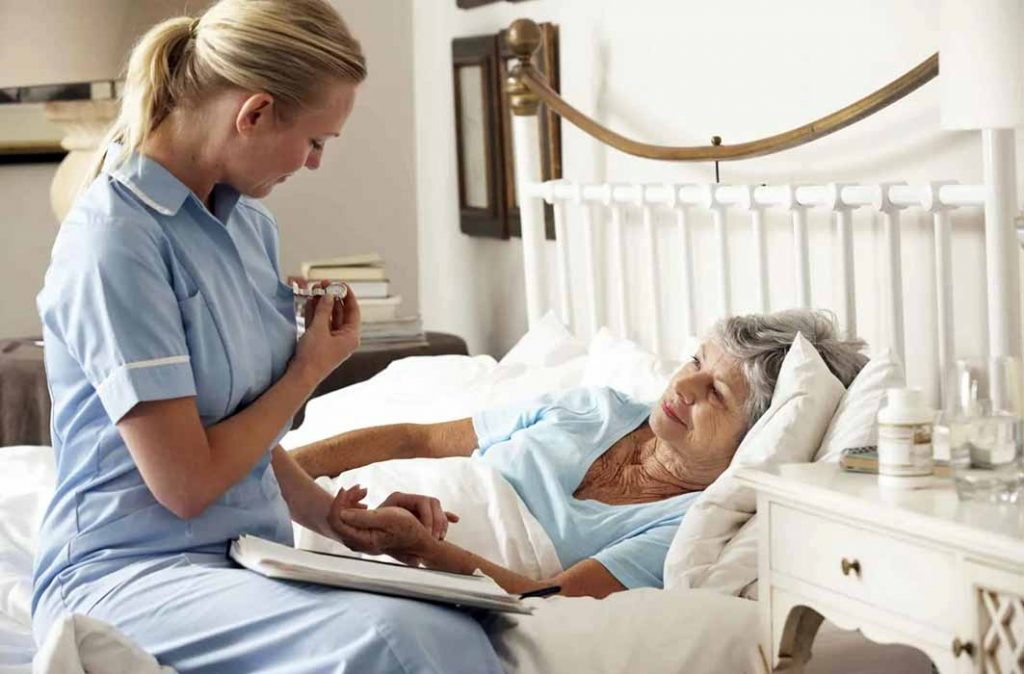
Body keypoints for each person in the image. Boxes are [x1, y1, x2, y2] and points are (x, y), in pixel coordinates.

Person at [31, 2, 501, 672]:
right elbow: (188, 483)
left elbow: (237, 428)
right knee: (397, 642)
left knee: (454, 623)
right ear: (252, 113)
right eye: (317, 141)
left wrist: (332, 516)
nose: (313, 163)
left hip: (246, 556)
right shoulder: (114, 241)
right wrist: (307, 371)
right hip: (125, 574)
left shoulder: (249, 229)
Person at [295, 310, 868, 599]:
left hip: (406, 552)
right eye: (696, 362)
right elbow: (413, 440)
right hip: (334, 501)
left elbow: (545, 598)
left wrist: (419, 548)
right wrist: (284, 471)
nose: (683, 387)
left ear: (757, 435)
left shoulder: (686, 525)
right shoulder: (596, 406)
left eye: (716, 393)